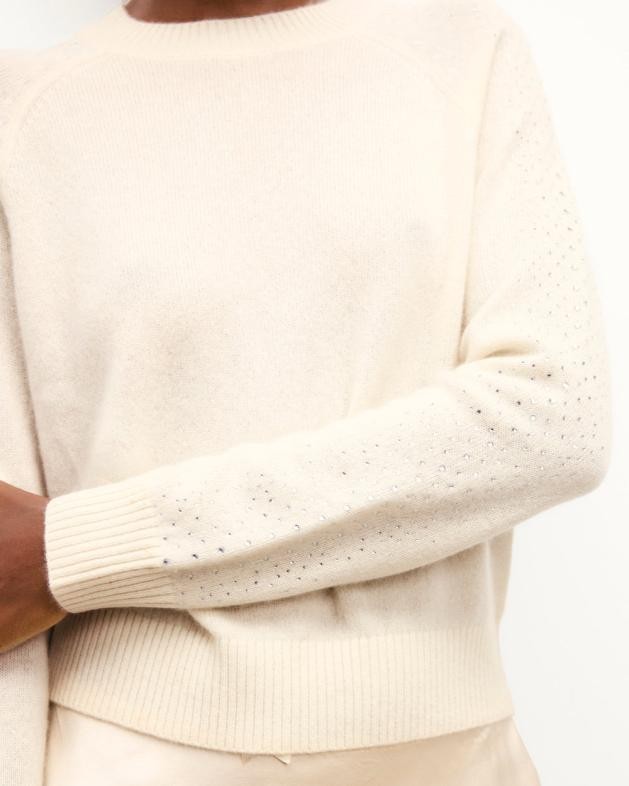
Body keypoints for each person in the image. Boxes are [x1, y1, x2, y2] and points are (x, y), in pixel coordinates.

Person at [0, 0, 612, 783]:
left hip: (444, 755)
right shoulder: (23, 110)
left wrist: (82, 548)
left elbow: (554, 418)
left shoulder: (462, 49)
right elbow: (7, 564)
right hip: (124, 752)